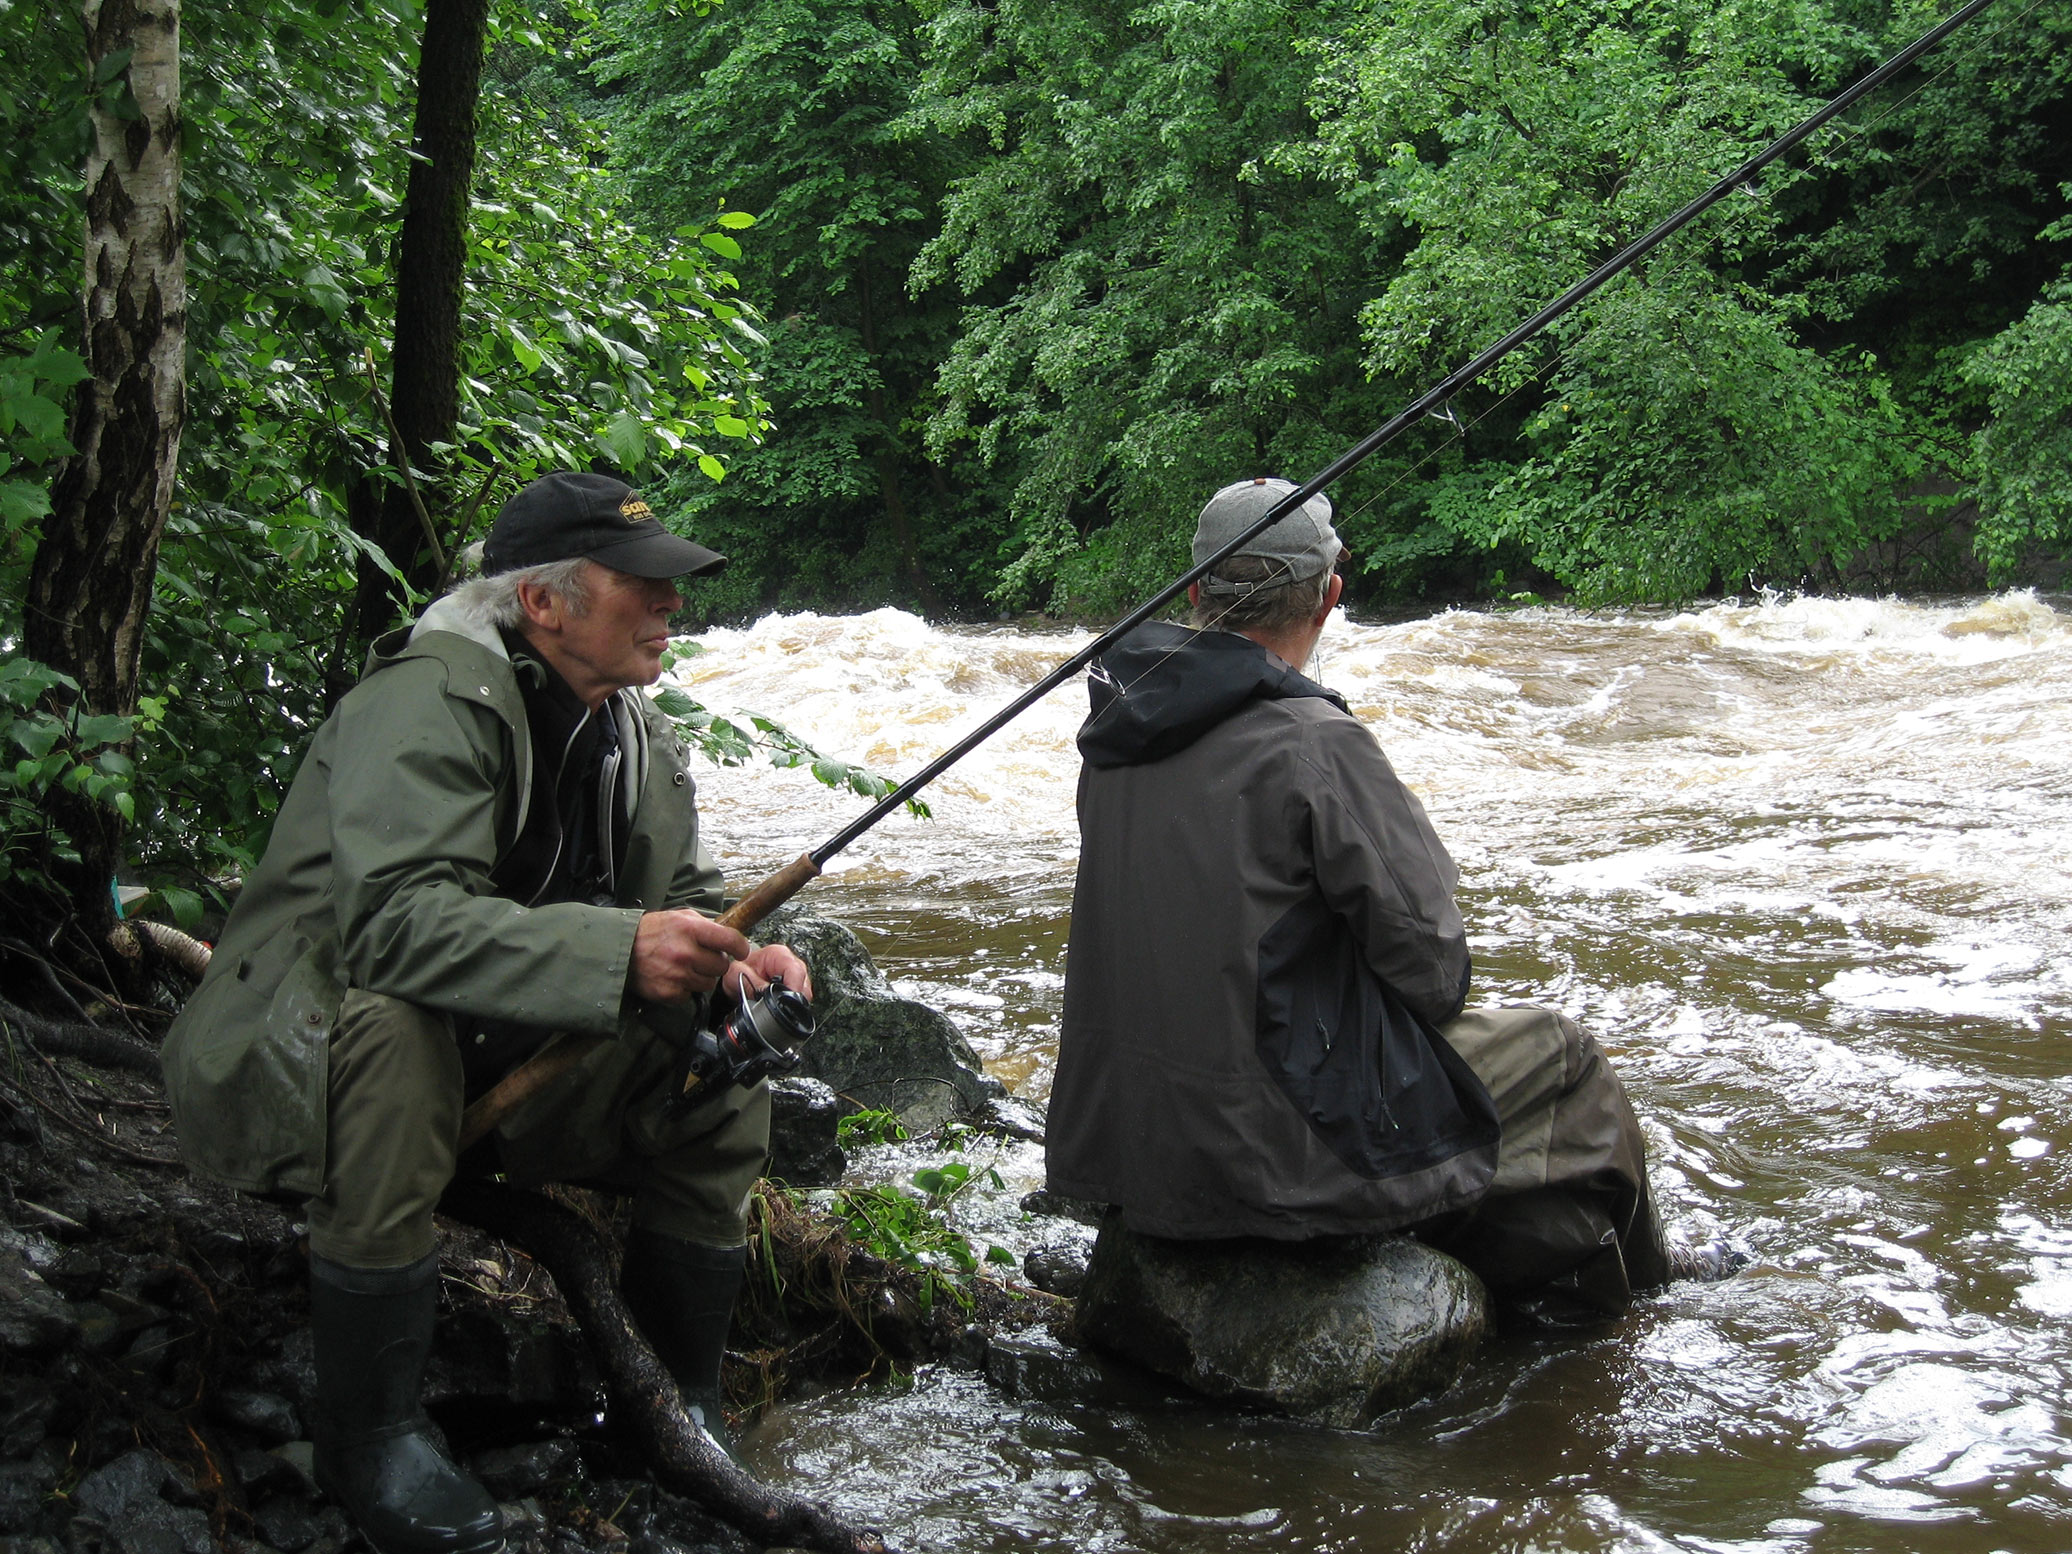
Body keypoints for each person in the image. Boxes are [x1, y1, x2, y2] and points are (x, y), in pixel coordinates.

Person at [163, 472, 811, 1554]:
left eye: (672, 587)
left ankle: (668, 1407)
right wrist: (620, 947)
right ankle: (368, 1435)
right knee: (394, 1030)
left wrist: (735, 963)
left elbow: (685, 902)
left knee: (720, 1077)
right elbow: (391, 930)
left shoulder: (632, 730)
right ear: (542, 603)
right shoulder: (422, 699)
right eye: (641, 585)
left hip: (498, 1057)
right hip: (298, 1053)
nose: (671, 606)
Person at [1047, 476, 1712, 1325]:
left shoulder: (1112, 740)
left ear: (1193, 593)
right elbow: (1434, 974)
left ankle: (1531, 1310)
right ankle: (1660, 1293)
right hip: (1270, 1163)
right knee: (1565, 1057)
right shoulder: (1316, 743)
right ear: (1329, 596)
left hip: (1122, 1152)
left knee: (1538, 1192)